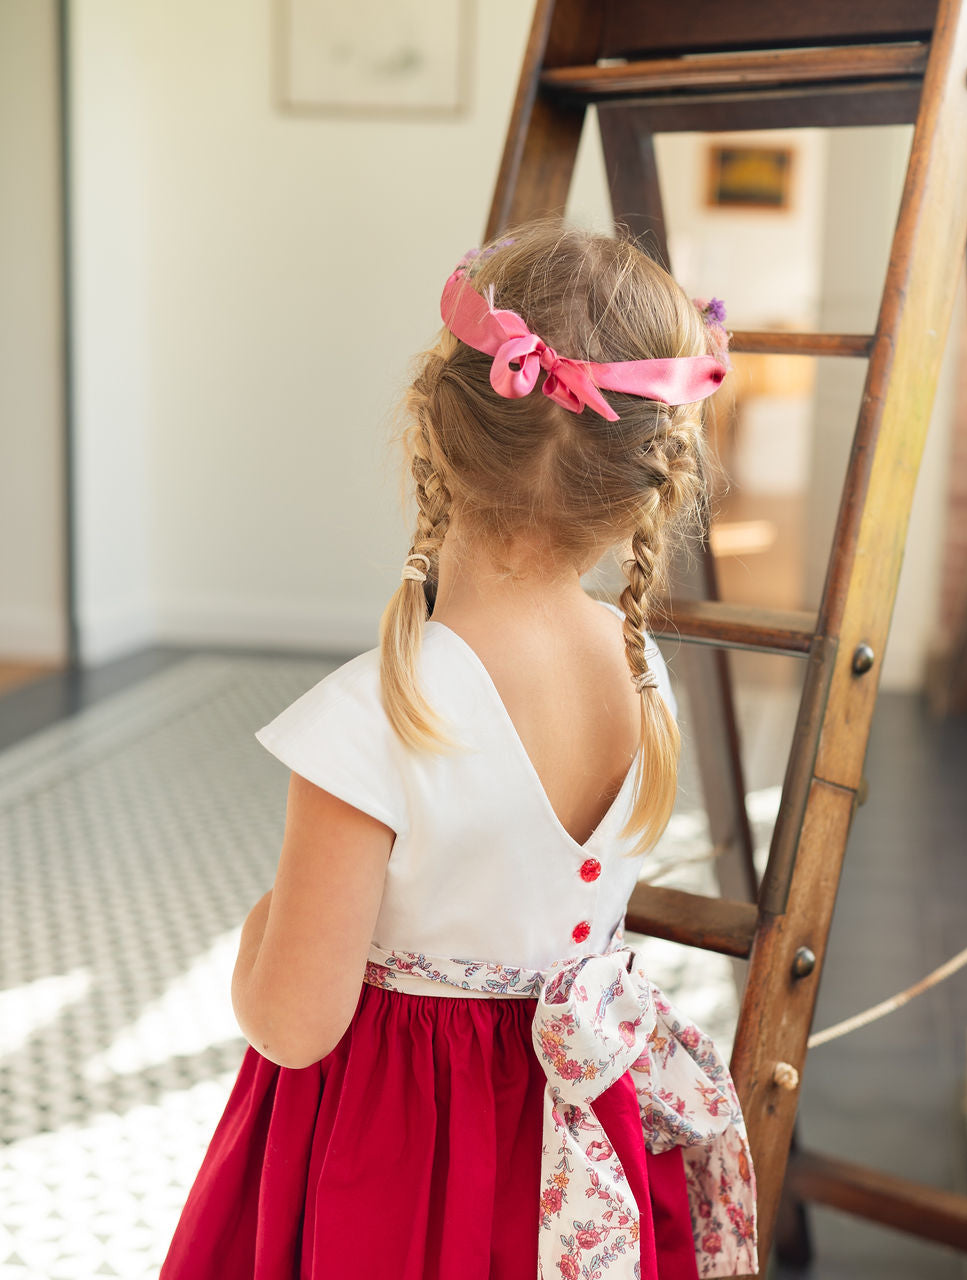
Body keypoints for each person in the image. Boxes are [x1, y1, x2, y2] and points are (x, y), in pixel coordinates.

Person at [160, 220, 757, 1279]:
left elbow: (295, 1022)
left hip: (400, 1168)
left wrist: (259, 932)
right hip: (575, 1147)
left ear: (432, 430)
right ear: (641, 482)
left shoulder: (374, 713)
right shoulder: (637, 672)